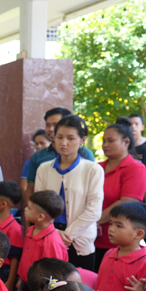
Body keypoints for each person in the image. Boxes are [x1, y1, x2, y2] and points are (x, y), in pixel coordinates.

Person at [36, 115, 105, 271]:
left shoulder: (93, 170)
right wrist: (54, 232)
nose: (63, 142)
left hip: (80, 240)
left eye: (71, 138)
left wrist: (67, 235)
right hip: (49, 236)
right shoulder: (44, 169)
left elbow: (94, 211)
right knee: (49, 288)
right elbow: (38, 207)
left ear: (82, 140)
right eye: (59, 137)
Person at [95, 118, 146, 267]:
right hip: (88, 238)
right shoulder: (96, 167)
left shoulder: (135, 168)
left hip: (117, 242)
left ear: (126, 142)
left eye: (111, 141)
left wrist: (94, 221)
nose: (105, 145)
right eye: (104, 140)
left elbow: (127, 202)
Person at [24, 107, 96, 205]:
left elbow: (92, 194)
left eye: (55, 125)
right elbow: (31, 189)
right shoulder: (38, 157)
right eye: (48, 125)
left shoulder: (86, 155)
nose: (51, 129)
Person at [18, 190, 68, 287]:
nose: (25, 209)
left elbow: (53, 273)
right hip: (27, 283)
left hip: (40, 288)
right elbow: (25, 258)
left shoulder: (51, 242)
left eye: (29, 208)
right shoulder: (30, 230)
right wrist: (21, 279)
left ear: (40, 217)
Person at [22, 129, 51, 195]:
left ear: (51, 143)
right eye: (36, 144)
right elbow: (24, 187)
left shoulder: (58, 161)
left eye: (42, 143)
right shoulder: (29, 163)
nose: (39, 146)